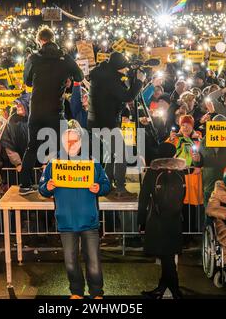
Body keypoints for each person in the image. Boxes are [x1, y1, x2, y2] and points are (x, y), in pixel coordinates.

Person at [38, 122, 111, 299]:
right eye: (68, 141)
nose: (71, 145)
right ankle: (76, 292)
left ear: (80, 143)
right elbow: (41, 188)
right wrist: (47, 186)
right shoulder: (54, 165)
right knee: (70, 262)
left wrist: (99, 188)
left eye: (74, 141)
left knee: (93, 262)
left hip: (89, 221)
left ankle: (96, 293)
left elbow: (107, 184)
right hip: (66, 222)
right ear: (62, 143)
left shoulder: (92, 163)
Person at [19, 26, 84, 195]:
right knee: (62, 146)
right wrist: (67, 77)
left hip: (37, 111)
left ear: (39, 40)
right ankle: (63, 181)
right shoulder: (64, 58)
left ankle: (25, 185)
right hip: (56, 110)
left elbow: (27, 81)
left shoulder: (33, 58)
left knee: (32, 147)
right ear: (53, 38)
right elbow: (80, 77)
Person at [87, 51, 145, 198]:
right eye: (123, 67)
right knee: (121, 154)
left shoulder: (102, 73)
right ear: (117, 67)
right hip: (106, 123)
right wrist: (138, 81)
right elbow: (127, 96)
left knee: (112, 155)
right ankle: (120, 188)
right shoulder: (110, 79)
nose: (125, 70)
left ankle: (107, 185)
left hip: (97, 122)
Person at [138, 143, 186, 299]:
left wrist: (141, 221)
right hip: (175, 218)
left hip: (157, 219)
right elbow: (182, 196)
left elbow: (144, 198)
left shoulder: (153, 173)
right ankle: (162, 288)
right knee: (168, 255)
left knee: (167, 257)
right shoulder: (180, 173)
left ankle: (175, 290)